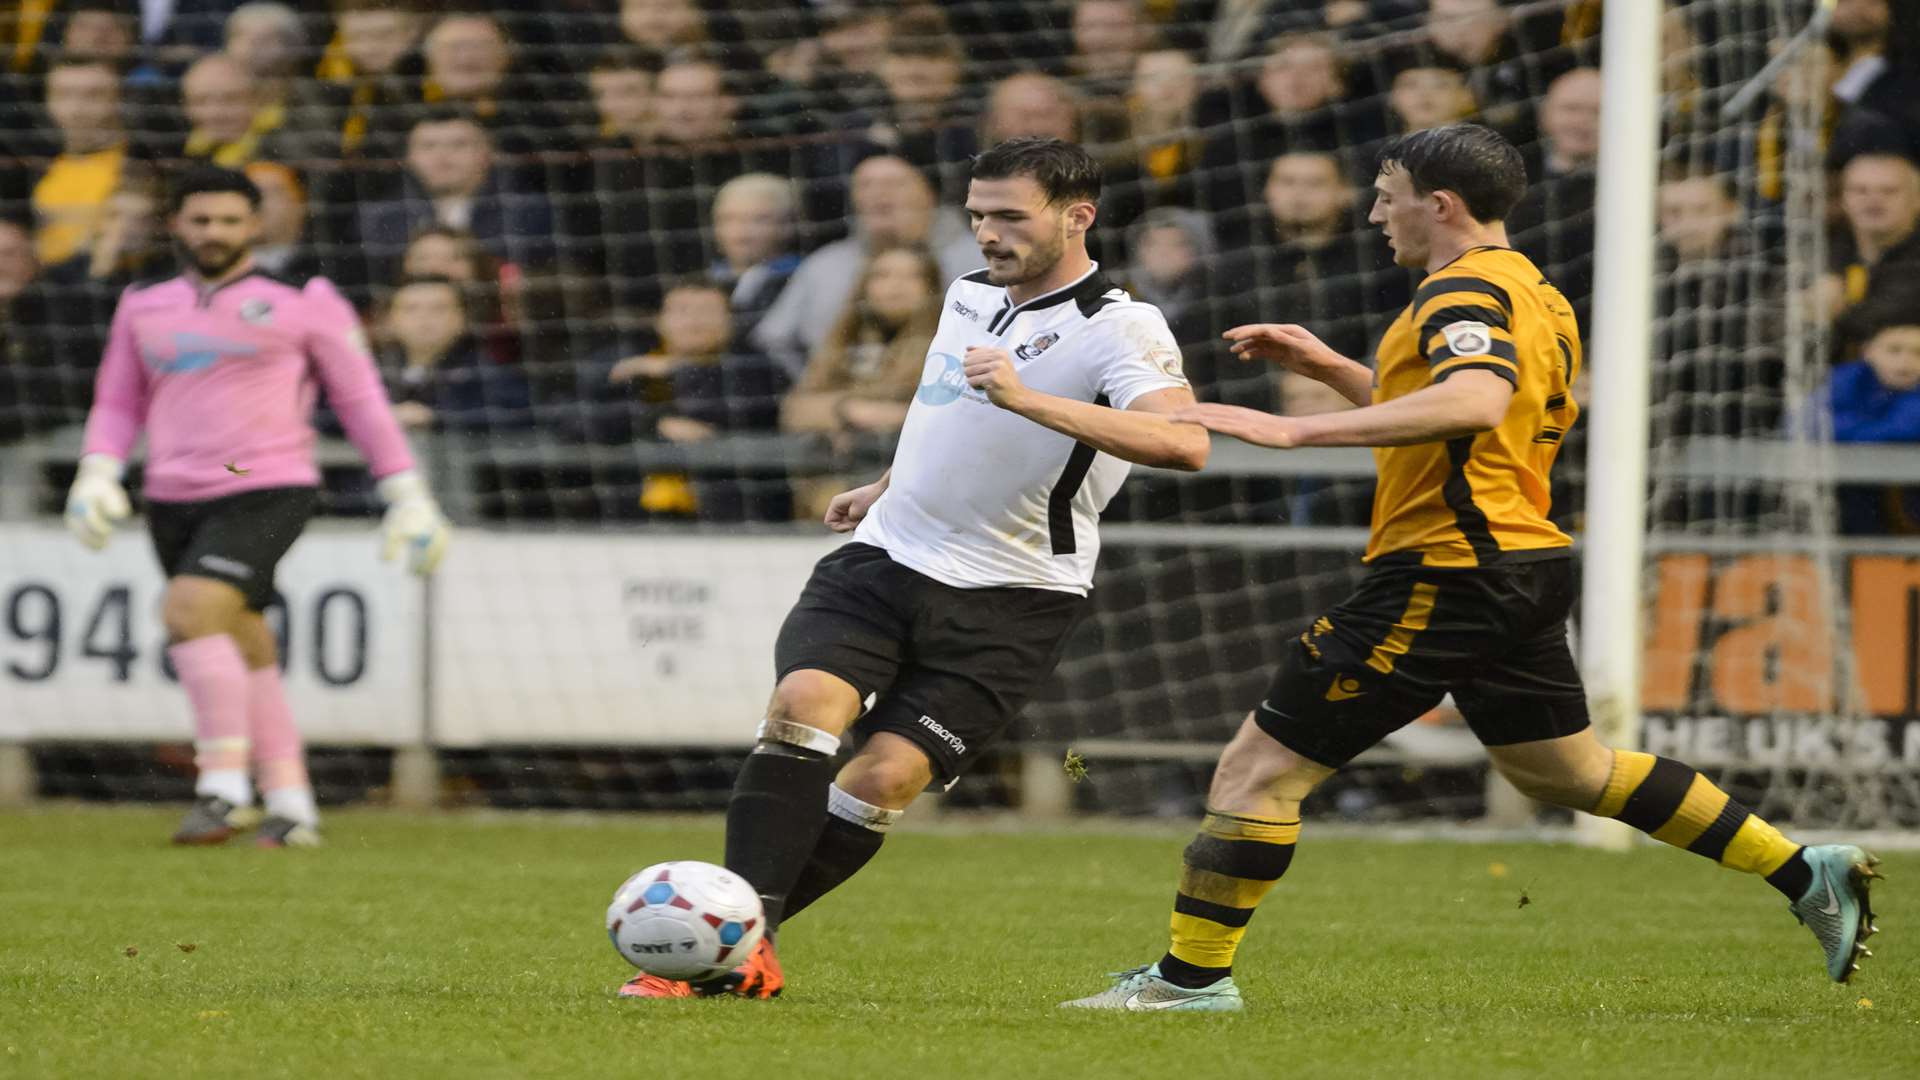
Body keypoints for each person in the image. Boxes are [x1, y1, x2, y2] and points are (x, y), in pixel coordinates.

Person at [1062, 124, 1881, 1012]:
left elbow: (1476, 401)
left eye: (1386, 194)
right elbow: (1470, 408)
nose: (1374, 213)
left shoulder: (1461, 292)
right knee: (1567, 775)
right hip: (1516, 558)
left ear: (1439, 205)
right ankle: (1804, 871)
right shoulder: (1534, 291)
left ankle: (1189, 982)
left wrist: (1295, 426)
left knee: (1258, 771)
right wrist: (1336, 368)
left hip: (1448, 570)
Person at [618, 137, 1209, 1000]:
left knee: (885, 777)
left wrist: (1029, 397)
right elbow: (946, 410)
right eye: (976, 214)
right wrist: (887, 482)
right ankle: (727, 955)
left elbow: (1184, 442)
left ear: (1078, 217)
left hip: (1018, 595)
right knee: (802, 706)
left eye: (1010, 216)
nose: (987, 234)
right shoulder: (969, 294)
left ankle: (742, 938)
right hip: (888, 555)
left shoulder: (1121, 324)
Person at [64, 166, 452, 848]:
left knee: (189, 609)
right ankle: (292, 802)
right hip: (170, 493)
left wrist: (408, 494)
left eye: (229, 221)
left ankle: (222, 788)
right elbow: (120, 399)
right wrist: (97, 471)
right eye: (200, 220)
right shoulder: (143, 301)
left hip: (269, 484)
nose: (214, 233)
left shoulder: (304, 297)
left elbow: (360, 400)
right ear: (176, 225)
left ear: (256, 225)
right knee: (240, 631)